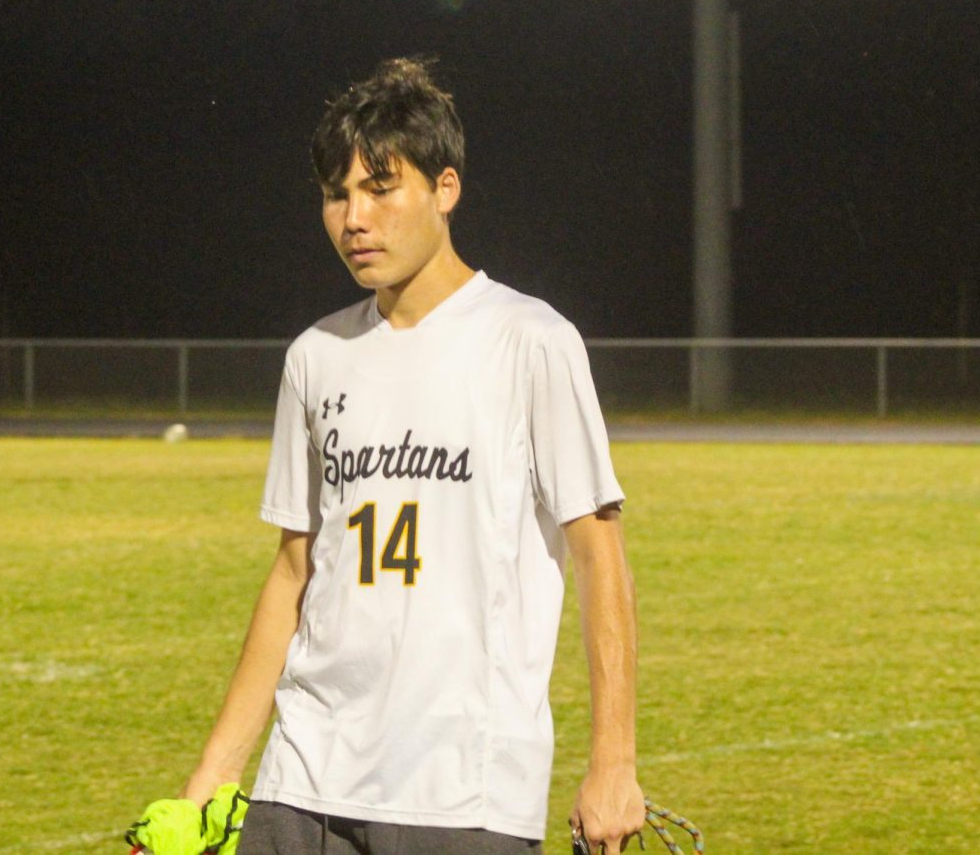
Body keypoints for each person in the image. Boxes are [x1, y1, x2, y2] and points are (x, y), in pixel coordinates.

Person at [128, 57, 643, 855]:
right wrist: (211, 781)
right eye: (337, 195)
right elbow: (295, 574)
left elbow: (601, 557)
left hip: (461, 791)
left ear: (445, 189)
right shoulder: (315, 357)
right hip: (301, 780)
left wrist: (613, 762)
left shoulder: (531, 342)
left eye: (379, 188)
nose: (353, 219)